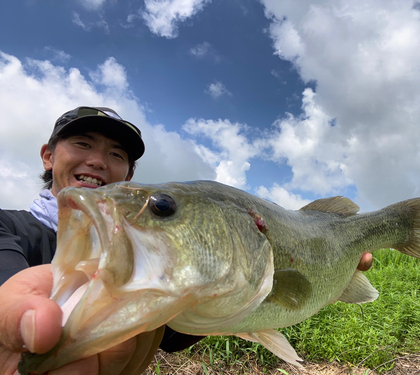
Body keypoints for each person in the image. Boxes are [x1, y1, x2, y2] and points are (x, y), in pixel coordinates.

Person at [0, 106, 373, 375]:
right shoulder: (6, 227)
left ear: (129, 174)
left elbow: (171, 338)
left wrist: (218, 295)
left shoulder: (149, 249)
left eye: (116, 154)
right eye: (82, 144)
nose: (98, 161)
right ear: (49, 156)